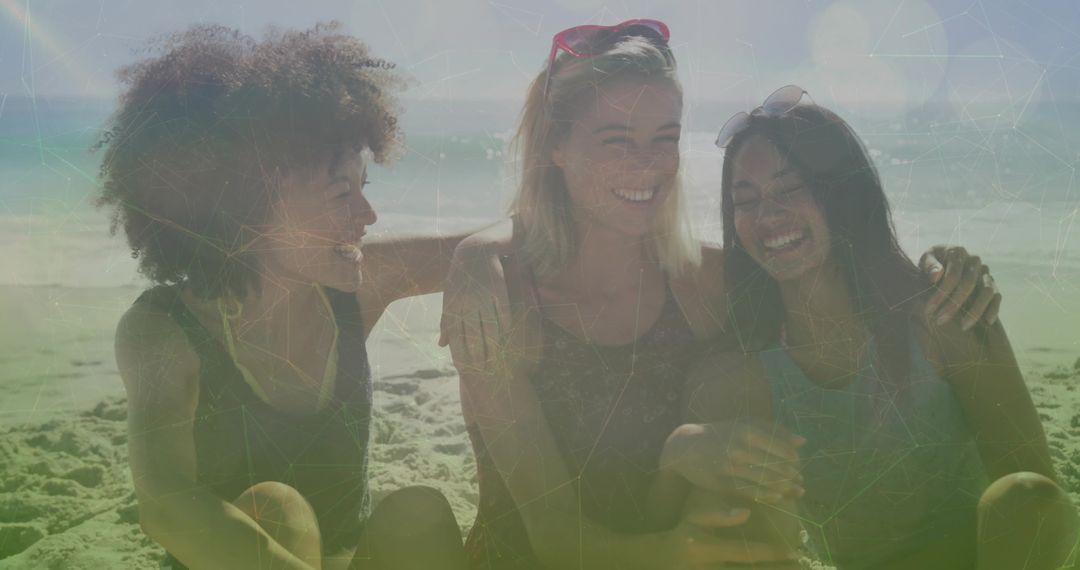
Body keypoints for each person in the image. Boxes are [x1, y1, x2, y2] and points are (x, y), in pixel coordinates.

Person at [441, 21, 1000, 569]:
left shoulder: (706, 280)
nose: (648, 163)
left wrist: (939, 269)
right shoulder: (501, 305)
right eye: (617, 139)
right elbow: (553, 537)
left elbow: (825, 261)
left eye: (665, 138)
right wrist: (472, 252)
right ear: (555, 145)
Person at [96, 23, 469, 570]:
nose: (367, 216)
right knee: (276, 510)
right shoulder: (165, 330)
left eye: (364, 188)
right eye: (341, 193)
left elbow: (521, 242)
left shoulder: (354, 286)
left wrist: (481, 262)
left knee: (419, 512)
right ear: (247, 205)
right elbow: (165, 506)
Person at [662, 87, 1079, 570]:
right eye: (745, 199)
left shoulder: (943, 315)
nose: (767, 215)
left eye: (790, 187)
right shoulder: (743, 377)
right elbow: (696, 536)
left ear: (842, 191)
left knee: (1022, 493)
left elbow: (1042, 499)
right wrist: (676, 450)